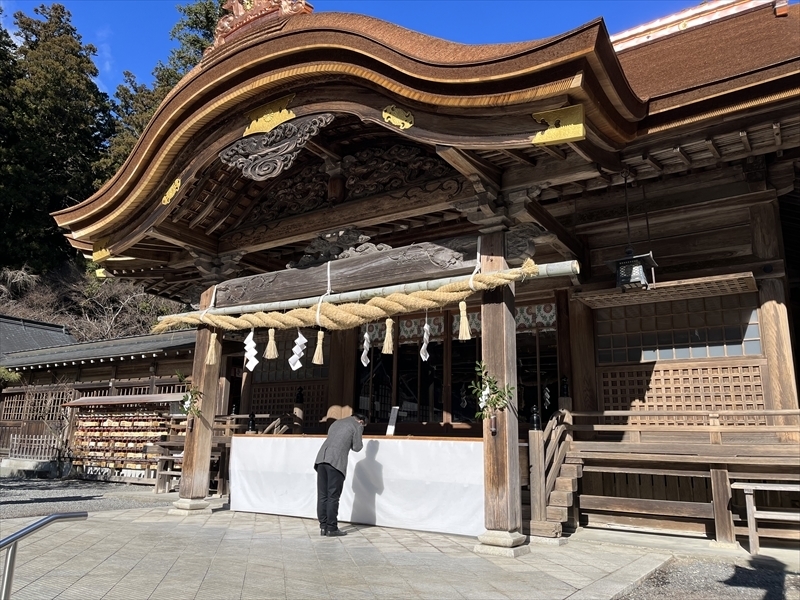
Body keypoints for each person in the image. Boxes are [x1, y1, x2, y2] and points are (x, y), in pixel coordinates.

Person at [314, 412, 365, 537]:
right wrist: (360, 430)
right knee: (333, 496)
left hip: (321, 459)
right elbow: (357, 447)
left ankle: (323, 526)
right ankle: (331, 528)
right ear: (361, 421)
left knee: (322, 495)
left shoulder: (336, 422)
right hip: (335, 462)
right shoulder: (357, 425)